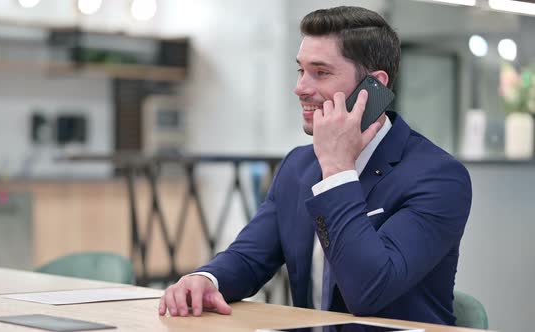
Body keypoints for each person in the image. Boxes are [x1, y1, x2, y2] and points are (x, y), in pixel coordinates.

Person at [158, 6, 472, 326]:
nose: (301, 88)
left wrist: (337, 170)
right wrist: (206, 279)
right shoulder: (299, 165)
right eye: (300, 71)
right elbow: (249, 258)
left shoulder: (438, 178)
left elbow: (368, 291)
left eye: (320, 72)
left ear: (373, 87)